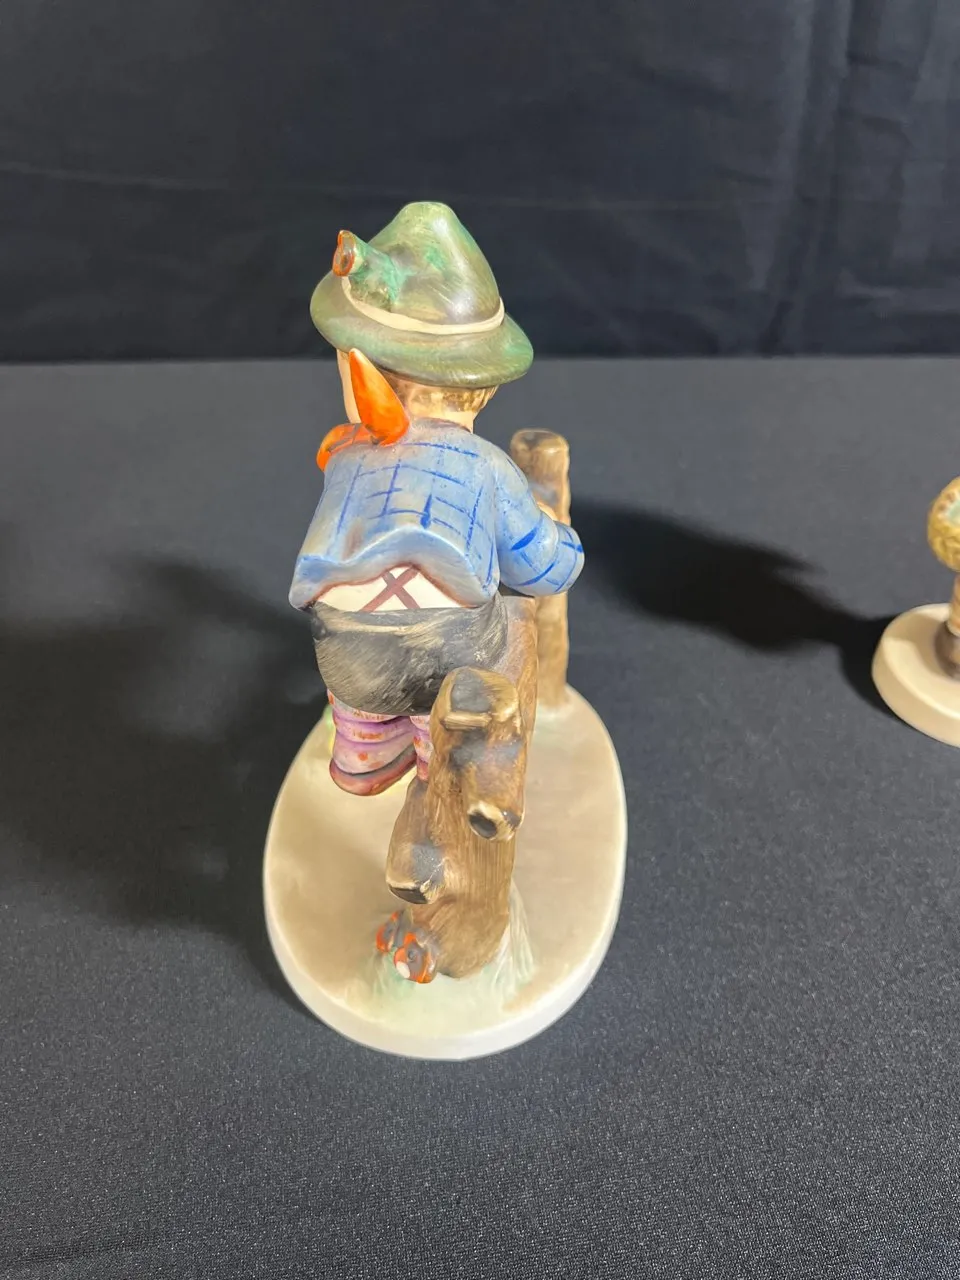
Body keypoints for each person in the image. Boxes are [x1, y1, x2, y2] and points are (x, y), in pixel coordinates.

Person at [290, 202, 583, 794]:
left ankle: (363, 751)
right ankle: (438, 750)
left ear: (361, 377)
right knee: (502, 631)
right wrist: (566, 544)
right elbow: (537, 566)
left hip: (342, 642)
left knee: (357, 673)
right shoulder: (487, 465)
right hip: (449, 643)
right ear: (484, 385)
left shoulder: (343, 455)